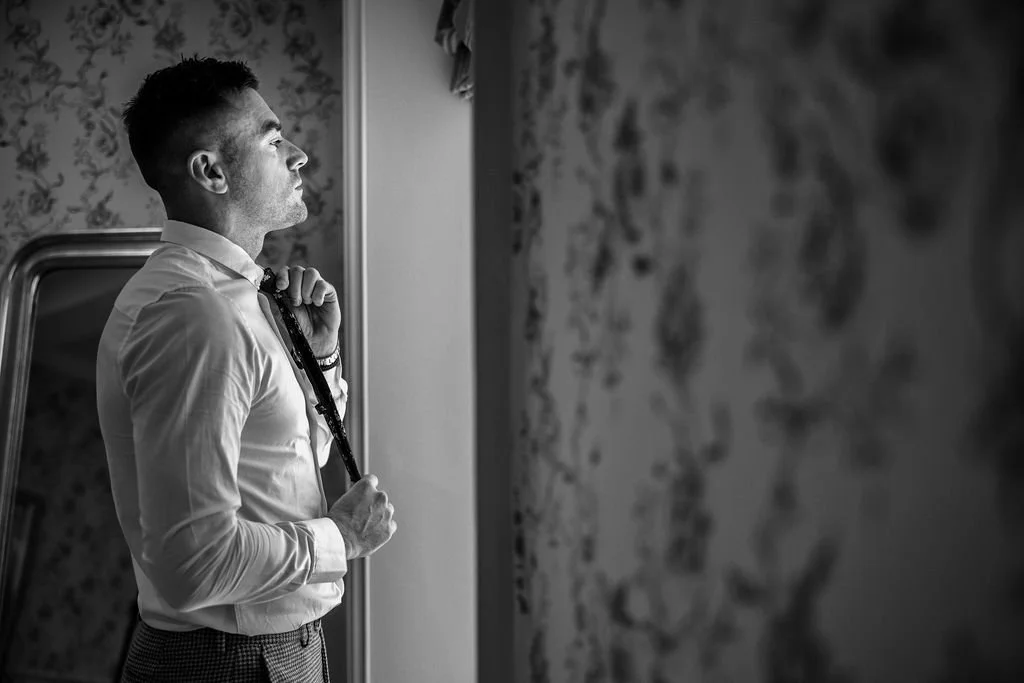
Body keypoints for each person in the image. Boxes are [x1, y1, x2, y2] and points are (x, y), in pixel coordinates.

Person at [95, 56, 396, 682]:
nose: (298, 156)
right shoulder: (194, 315)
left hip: (272, 650)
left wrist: (320, 360)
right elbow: (193, 562)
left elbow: (286, 459)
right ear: (211, 170)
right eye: (273, 140)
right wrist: (341, 538)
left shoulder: (238, 299)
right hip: (230, 662)